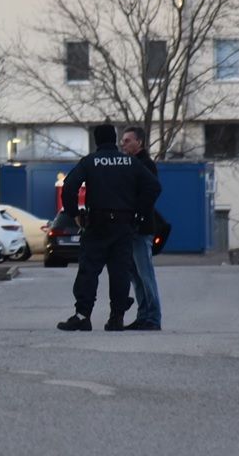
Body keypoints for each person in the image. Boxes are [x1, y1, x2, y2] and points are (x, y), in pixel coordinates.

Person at [57, 123, 161, 332]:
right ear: (114, 139)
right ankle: (116, 318)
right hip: (123, 226)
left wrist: (74, 214)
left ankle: (83, 316)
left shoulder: (91, 162)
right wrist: (138, 212)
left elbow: (69, 187)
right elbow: (153, 187)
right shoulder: (130, 162)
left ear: (97, 141)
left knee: (89, 271)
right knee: (119, 272)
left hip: (97, 225)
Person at [120, 126, 166, 331]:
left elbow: (151, 192)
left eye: (128, 140)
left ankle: (153, 317)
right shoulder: (129, 164)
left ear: (140, 142)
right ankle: (143, 315)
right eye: (123, 140)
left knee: (145, 273)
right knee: (135, 275)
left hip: (141, 228)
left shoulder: (146, 165)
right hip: (130, 228)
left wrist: (138, 214)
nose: (123, 144)